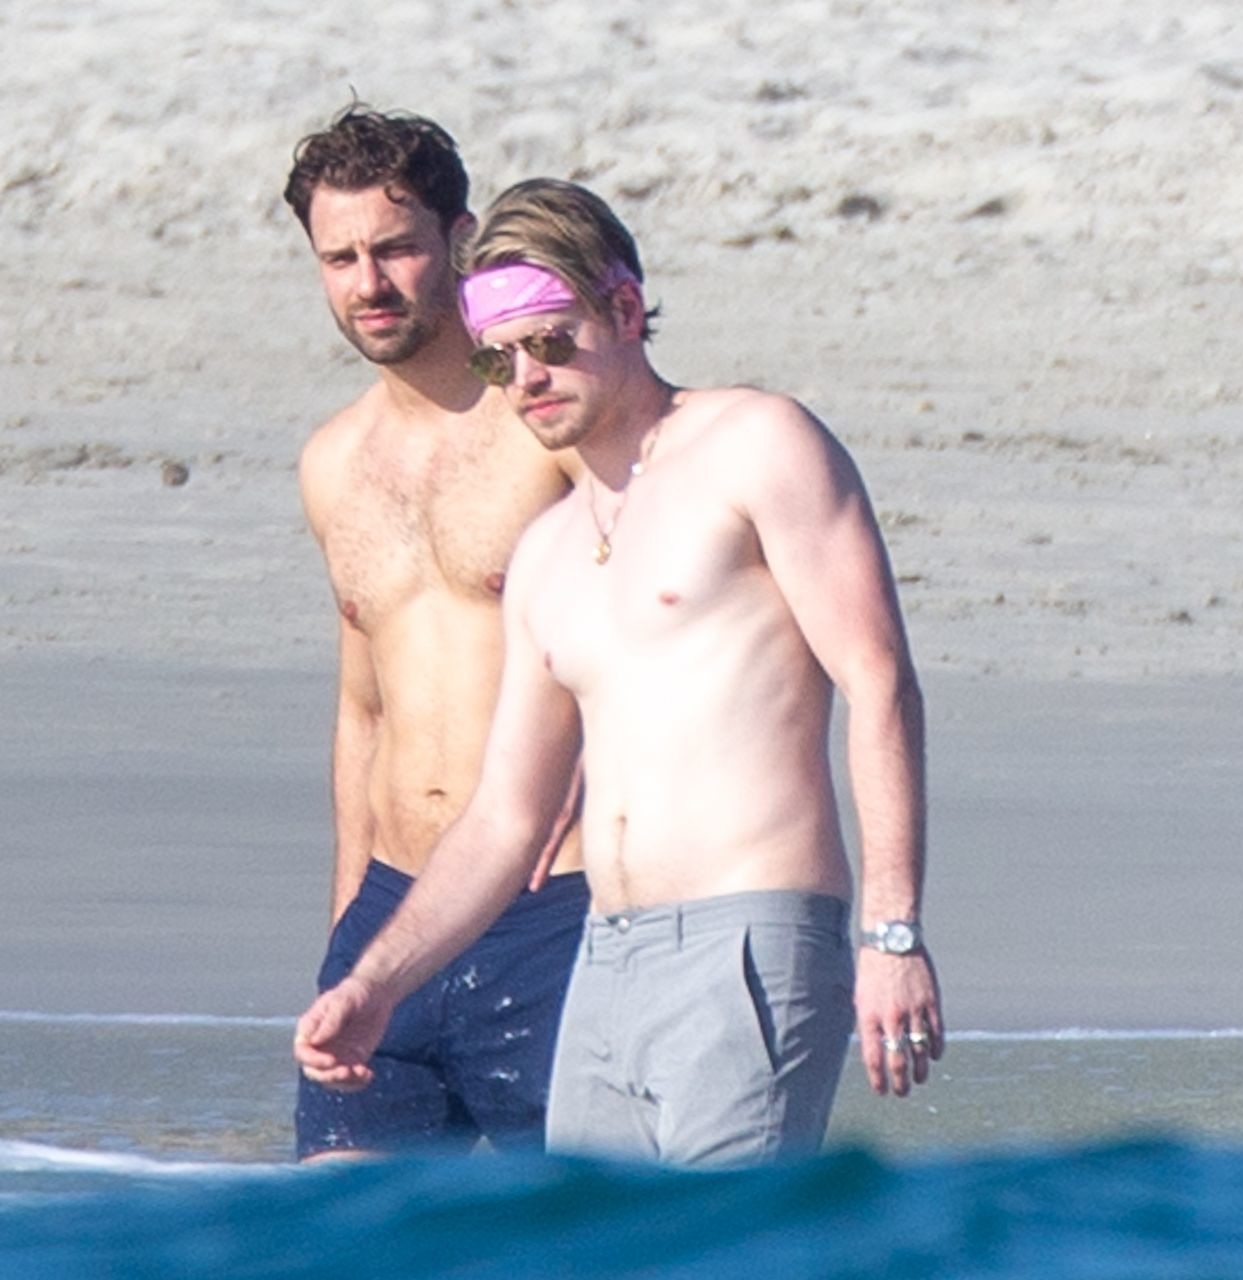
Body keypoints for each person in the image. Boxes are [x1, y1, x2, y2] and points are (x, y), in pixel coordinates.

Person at [294, 178, 942, 1168]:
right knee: (599, 1241)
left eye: (551, 342)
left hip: (746, 937)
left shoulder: (755, 444)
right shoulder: (549, 552)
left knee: (715, 1239)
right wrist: (376, 982)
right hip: (601, 958)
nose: (527, 377)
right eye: (500, 357)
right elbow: (505, 819)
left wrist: (891, 934)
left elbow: (879, 680)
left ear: (626, 309)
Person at [284, 108, 588, 1159]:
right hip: (390, 914)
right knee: (345, 1229)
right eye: (340, 259)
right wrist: (347, 930)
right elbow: (362, 708)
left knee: (573, 1227)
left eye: (396, 248)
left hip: (551, 905)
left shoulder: (550, 426)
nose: (369, 283)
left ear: (461, 240)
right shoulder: (331, 463)